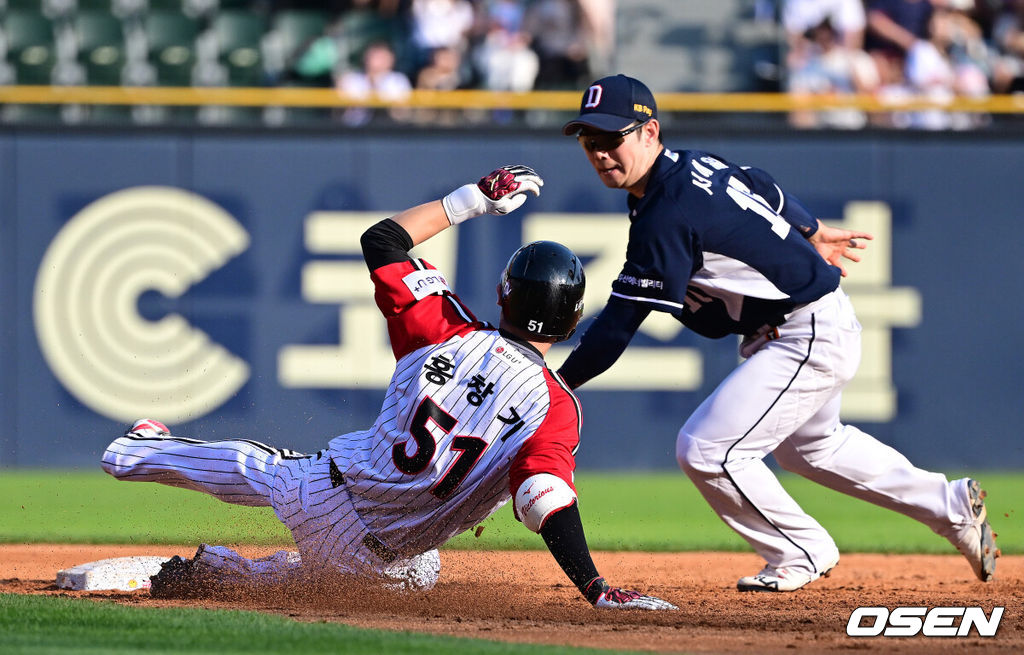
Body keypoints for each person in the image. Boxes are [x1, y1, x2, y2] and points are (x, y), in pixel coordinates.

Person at [101, 164, 676, 610]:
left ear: (504, 294)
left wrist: (472, 200)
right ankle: (220, 573)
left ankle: (135, 454)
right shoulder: (555, 410)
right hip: (385, 560)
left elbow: (382, 241)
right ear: (574, 321)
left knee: (260, 466)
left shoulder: (444, 330)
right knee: (414, 571)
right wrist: (595, 587)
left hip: (328, 496)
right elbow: (543, 499)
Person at [557, 74, 1000, 592]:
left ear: (649, 132)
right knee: (811, 449)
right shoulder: (694, 165)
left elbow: (616, 327)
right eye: (590, 143)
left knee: (705, 450)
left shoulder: (666, 210)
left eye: (612, 139)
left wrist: (557, 386)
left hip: (805, 331)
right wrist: (812, 229)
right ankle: (947, 505)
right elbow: (760, 183)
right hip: (808, 324)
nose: (601, 153)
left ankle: (800, 550)